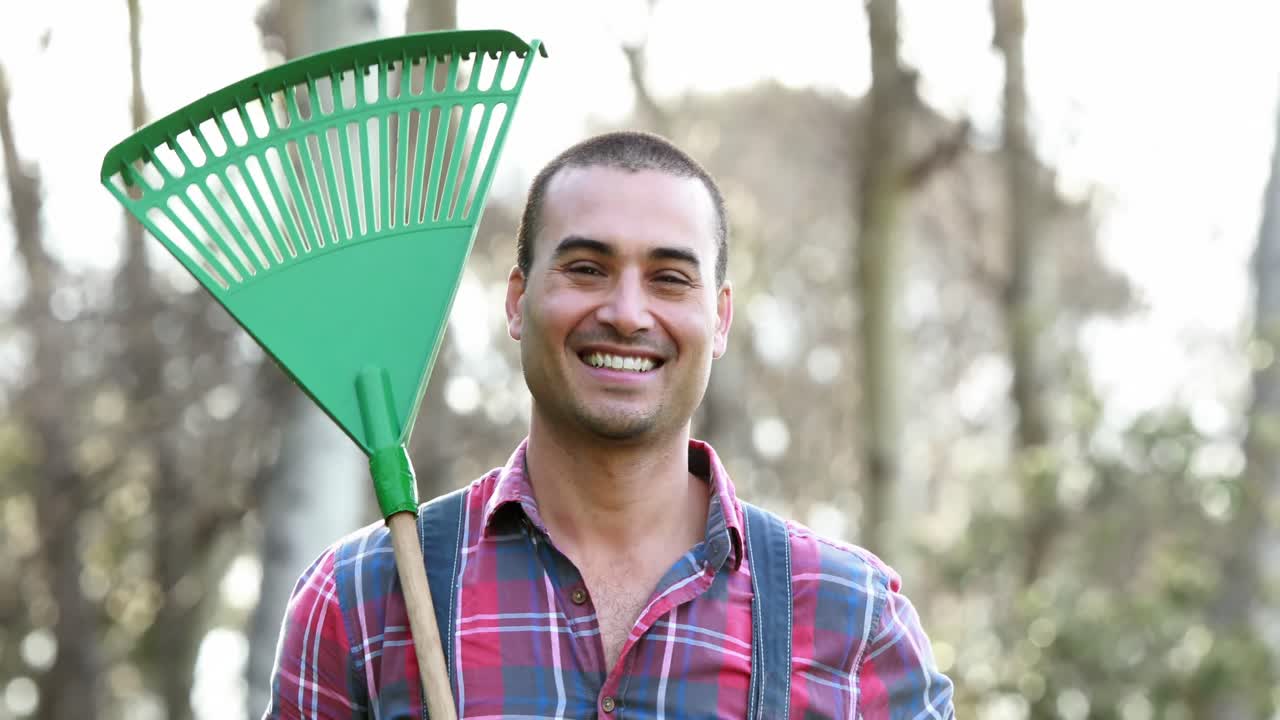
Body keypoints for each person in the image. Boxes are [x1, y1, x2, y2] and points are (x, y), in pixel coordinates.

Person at [264, 131, 955, 718]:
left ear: (719, 319)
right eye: (587, 268)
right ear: (517, 300)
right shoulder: (360, 600)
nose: (627, 312)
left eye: (669, 278)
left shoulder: (851, 617)